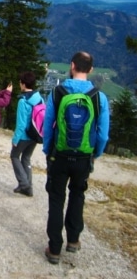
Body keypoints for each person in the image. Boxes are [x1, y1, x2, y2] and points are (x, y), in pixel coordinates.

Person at [43, 52, 110, 265]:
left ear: (72, 66)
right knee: (78, 195)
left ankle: (54, 248)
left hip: (60, 155)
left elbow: (48, 125)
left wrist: (48, 150)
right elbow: (103, 134)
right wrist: (95, 153)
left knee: (56, 198)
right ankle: (73, 240)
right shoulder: (99, 97)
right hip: (83, 156)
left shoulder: (57, 92)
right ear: (91, 69)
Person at [11, 71, 42, 197]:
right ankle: (28, 187)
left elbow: (21, 124)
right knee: (26, 158)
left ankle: (24, 184)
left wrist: (15, 139)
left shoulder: (23, 101)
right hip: (35, 134)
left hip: (24, 136)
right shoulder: (39, 98)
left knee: (14, 156)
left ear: (23, 84)